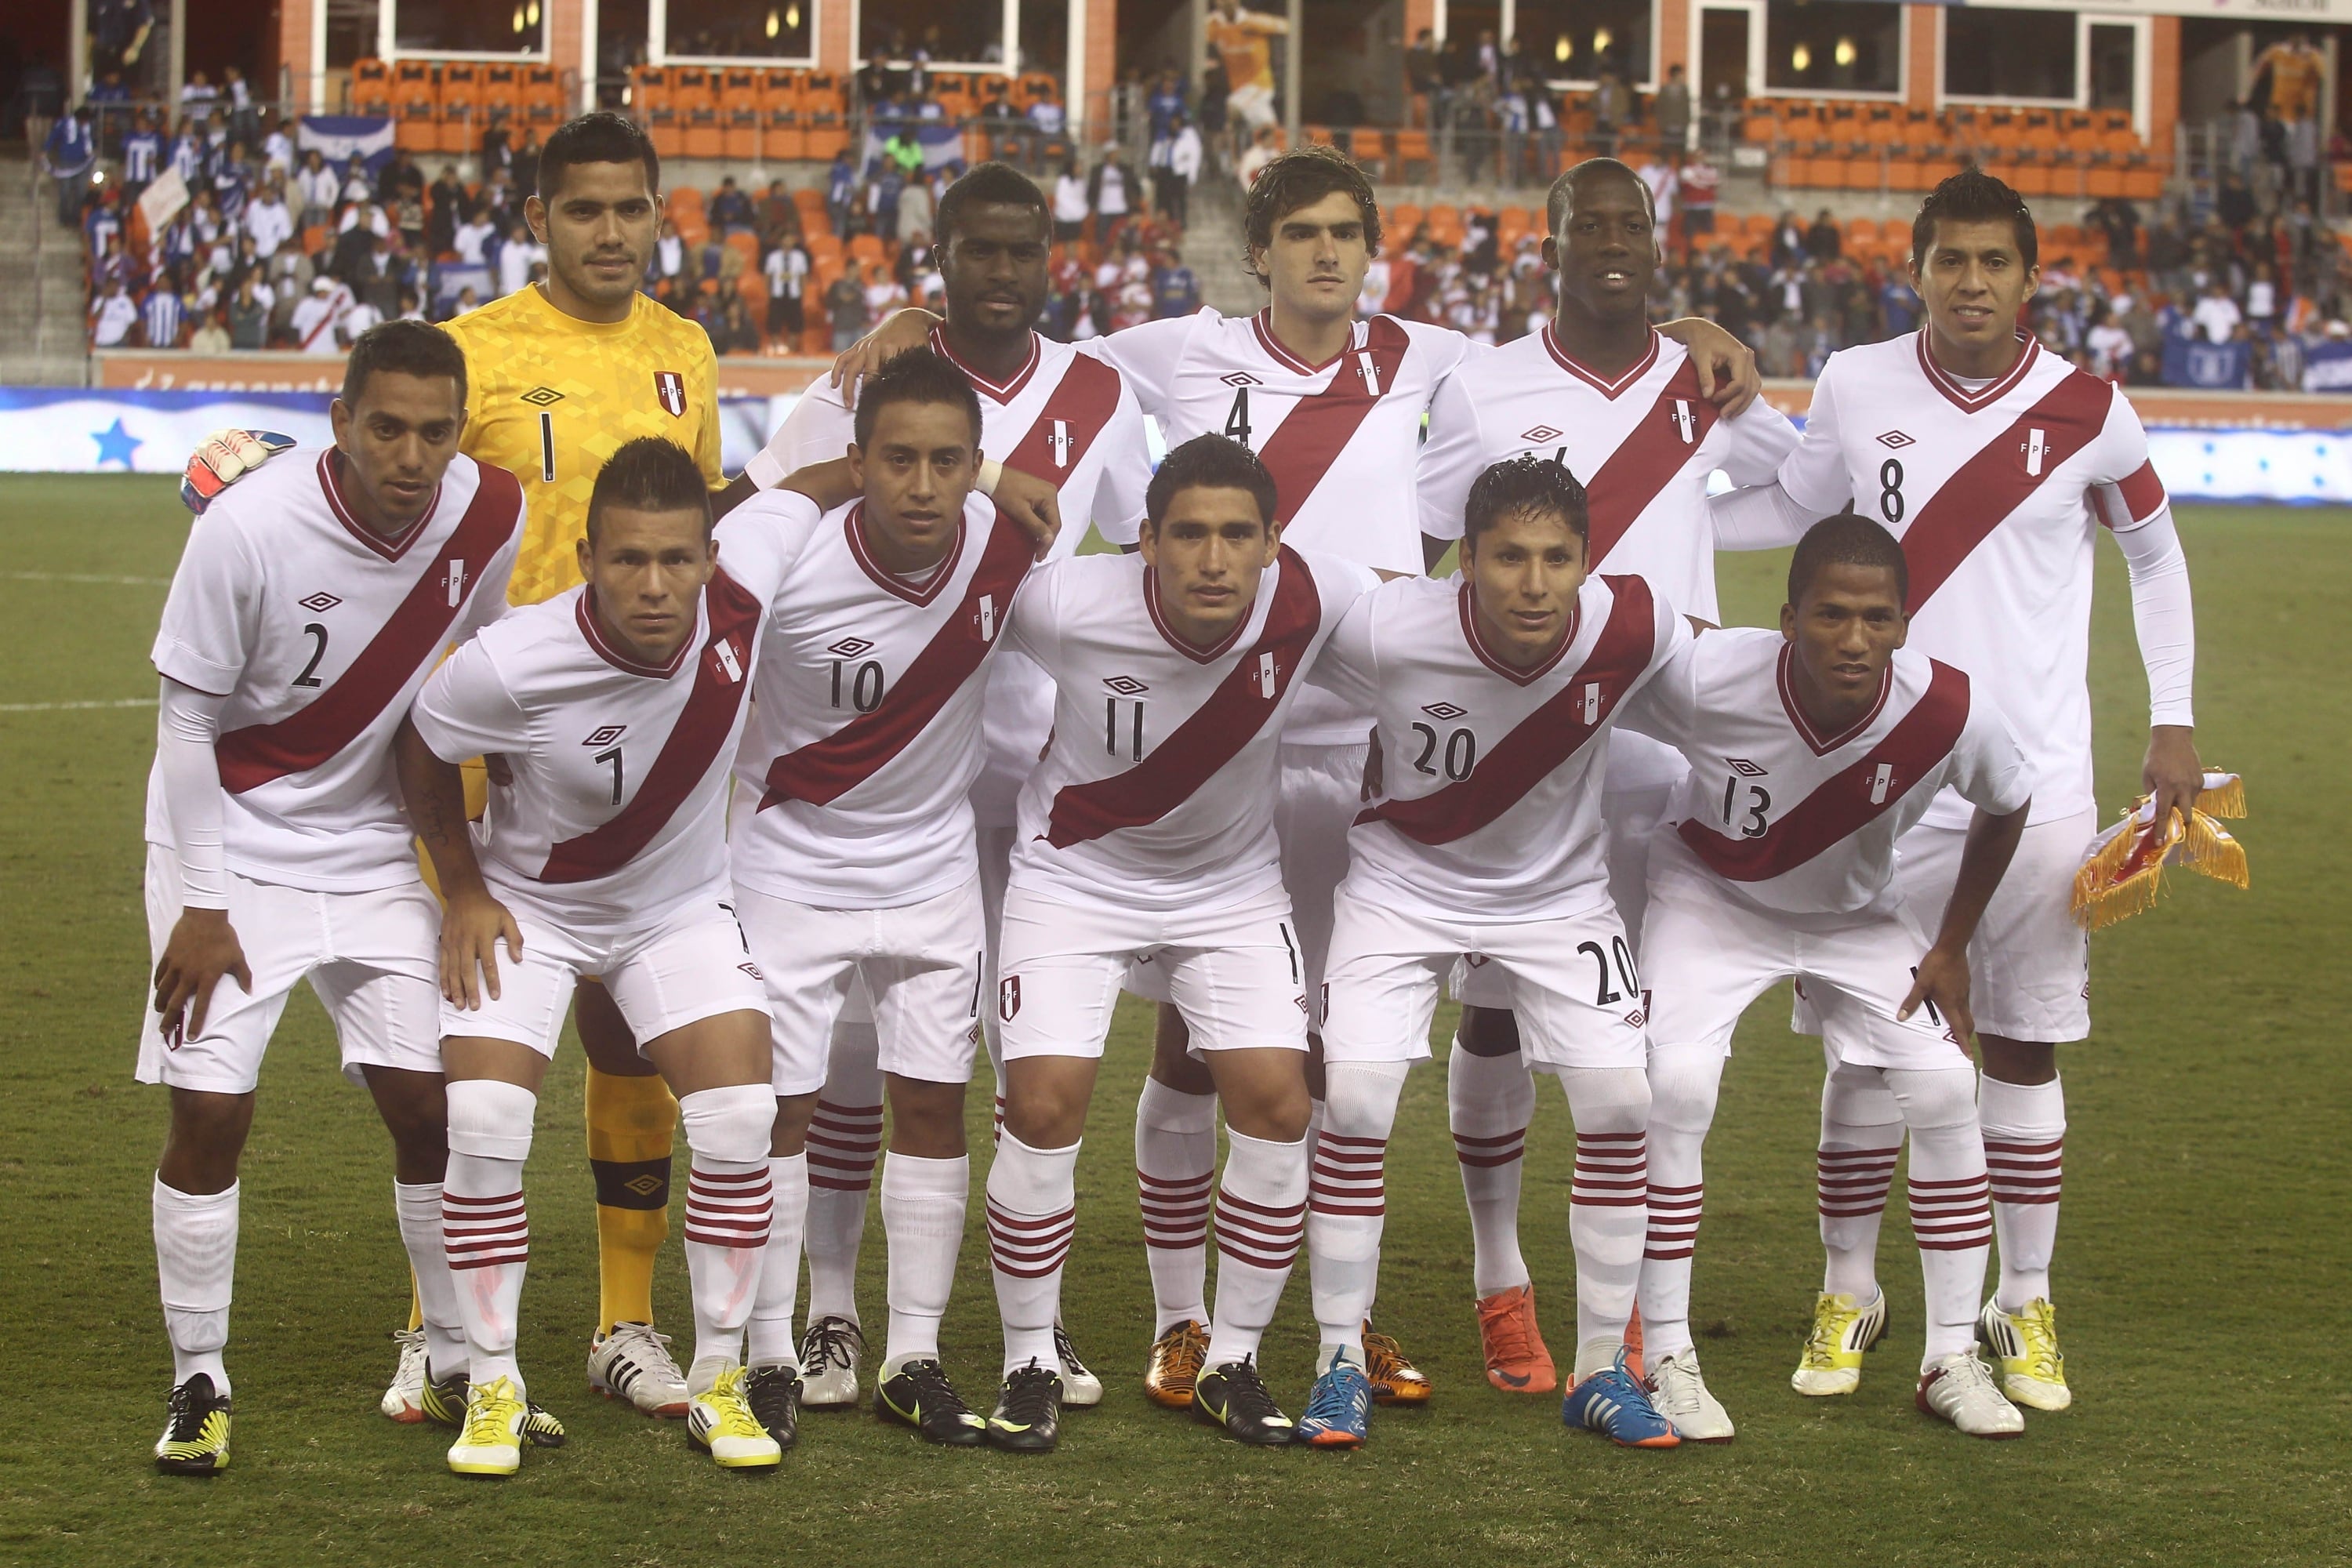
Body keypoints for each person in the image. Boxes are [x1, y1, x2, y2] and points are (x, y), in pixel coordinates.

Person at [837, 143, 1759, 1412]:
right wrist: (914, 323)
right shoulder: (1175, 353)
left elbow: (1582, 334)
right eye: (1304, 233)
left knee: (1313, 1058)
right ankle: (1177, 1319)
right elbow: (1037, 341)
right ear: (1258, 248)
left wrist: (1687, 321)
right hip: (1190, 726)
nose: (1329, 253)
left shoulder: (1436, 360)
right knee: (1181, 1051)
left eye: (1349, 233)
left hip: (1353, 742)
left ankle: (1346, 1316)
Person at [177, 112, 733, 1428]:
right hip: (479, 747)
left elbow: (701, 530)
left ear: (661, 216)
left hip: (637, 748)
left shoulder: (687, 352)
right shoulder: (473, 353)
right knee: (456, 1063)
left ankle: (623, 1321)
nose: (611, 232)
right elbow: (376, 493)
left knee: (625, 1031)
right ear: (536, 220)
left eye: (633, 209)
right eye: (584, 210)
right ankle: (440, 1330)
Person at [1712, 169, 2201, 1414]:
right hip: (1877, 777)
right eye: (1950, 261)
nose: (1972, 282)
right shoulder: (1856, 382)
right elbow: (1794, 507)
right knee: (1868, 1052)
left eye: (1995, 262)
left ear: (2032, 276)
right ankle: (1850, 1289)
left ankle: (2022, 1302)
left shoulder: (2093, 410)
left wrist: (2175, 718)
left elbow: (2154, 552)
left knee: (2025, 1043)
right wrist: (1663, 509)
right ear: (1915, 269)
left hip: (2033, 782)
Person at [731, 162, 1149, 1415]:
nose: (1005, 273)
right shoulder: (855, 387)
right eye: (980, 251)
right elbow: (765, 536)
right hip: (866, 779)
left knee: (1012, 1063)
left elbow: (1131, 559)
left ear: (1051, 259)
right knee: (845, 1064)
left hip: (1034, 782)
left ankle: (1031, 1324)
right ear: (944, 255)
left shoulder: (1106, 396)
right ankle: (833, 1318)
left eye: (1026, 251)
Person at [1414, 156, 1797, 1392]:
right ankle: (1496, 1278)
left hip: (1665, 741)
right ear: (1553, 242)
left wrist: (1691, 520)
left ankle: (1624, 1306)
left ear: (1658, 240)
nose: (1614, 241)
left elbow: (1798, 493)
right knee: (1492, 1006)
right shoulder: (1486, 386)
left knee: (1635, 1037)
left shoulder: (1705, 381)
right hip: (1524, 742)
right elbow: (1428, 538)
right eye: (1593, 224)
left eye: (1634, 223)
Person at [140, 323, 526, 1476]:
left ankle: (457, 1357)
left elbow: (484, 681)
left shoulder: (489, 512)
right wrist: (201, 905)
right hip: (229, 850)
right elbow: (186, 724)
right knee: (212, 1111)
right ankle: (198, 1377)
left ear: (461, 431)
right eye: (388, 428)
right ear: (343, 420)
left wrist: (481, 868)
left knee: (434, 1109)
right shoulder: (247, 530)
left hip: (369, 848)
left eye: (436, 432)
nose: (413, 456)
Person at [397, 438, 792, 1475]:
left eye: (676, 559)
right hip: (530, 910)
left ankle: (719, 1381)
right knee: (481, 1119)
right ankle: (491, 1383)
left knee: (742, 1114)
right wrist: (467, 888)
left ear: (712, 558)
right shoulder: (510, 659)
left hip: (676, 910)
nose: (654, 585)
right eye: (627, 561)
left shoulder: (749, 593)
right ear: (586, 557)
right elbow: (423, 749)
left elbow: (827, 472)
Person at [985, 434, 1381, 1449]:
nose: (1214, 560)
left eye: (1237, 536)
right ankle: (1029, 1356)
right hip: (1076, 877)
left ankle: (1233, 1358)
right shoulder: (1065, 600)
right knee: (1040, 1104)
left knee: (1280, 1102)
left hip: (1231, 889)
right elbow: (940, 603)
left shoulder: (1319, 595)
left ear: (1273, 543)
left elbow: (1447, 628)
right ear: (1144, 542)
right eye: (1190, 535)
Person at [1295, 456, 1693, 1451]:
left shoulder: (1635, 624)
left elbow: (1741, 686)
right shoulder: (1388, 624)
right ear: (1463, 561)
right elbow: (1271, 623)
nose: (1533, 580)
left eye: (1557, 558)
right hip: (1400, 885)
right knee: (1351, 1100)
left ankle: (1601, 1370)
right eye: (1508, 557)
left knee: (1621, 1103)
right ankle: (1338, 1358)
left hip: (1558, 899)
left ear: (1588, 563)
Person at [1628, 514, 2033, 1439]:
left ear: (1904, 621)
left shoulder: (1950, 708)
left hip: (1858, 917)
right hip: (1712, 901)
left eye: (1878, 618)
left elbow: (2009, 802)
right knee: (1677, 1082)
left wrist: (1952, 942)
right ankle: (1668, 1351)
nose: (1855, 640)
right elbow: (1592, 688)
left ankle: (1948, 1357)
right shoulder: (1707, 673)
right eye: (1831, 615)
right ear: (1788, 618)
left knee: (1942, 1086)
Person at [719, 350, 1049, 1450]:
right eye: (895, 459)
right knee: (777, 1113)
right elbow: (723, 525)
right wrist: (824, 479)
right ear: (857, 459)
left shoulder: (1008, 550)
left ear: (975, 467)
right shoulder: (784, 552)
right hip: (787, 868)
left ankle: (912, 1353)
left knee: (930, 1108)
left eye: (946, 462)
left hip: (933, 871)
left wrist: (1000, 487)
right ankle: (770, 1350)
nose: (919, 484)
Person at [1207, 0, 1288, 137]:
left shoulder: (1253, 22)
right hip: (1238, 87)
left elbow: (1287, 26)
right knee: (1262, 127)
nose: (1226, 6)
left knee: (1233, 109)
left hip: (1259, 84)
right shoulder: (1213, 25)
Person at [1160, 112, 1203, 227]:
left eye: (1176, 122)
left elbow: (1194, 155)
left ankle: (1182, 221)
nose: (1174, 124)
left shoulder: (1188, 135)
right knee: (1169, 197)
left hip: (1181, 172)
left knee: (1181, 199)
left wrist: (1192, 175)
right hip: (1169, 171)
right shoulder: (1168, 135)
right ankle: (1171, 221)